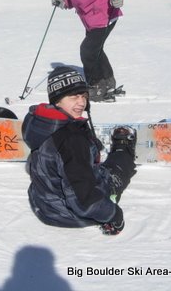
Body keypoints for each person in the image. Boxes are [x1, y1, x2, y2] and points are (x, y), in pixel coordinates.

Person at [22, 66, 136, 235]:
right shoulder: (72, 140)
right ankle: (122, 147)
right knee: (116, 171)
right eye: (74, 96)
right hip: (65, 214)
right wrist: (114, 215)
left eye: (83, 96)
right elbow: (85, 202)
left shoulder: (39, 122)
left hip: (43, 202)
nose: (81, 102)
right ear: (57, 99)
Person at [51, 0, 126, 102]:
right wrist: (63, 2)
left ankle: (96, 86)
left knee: (88, 50)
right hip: (90, 20)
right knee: (96, 49)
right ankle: (108, 80)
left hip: (105, 16)